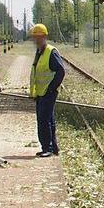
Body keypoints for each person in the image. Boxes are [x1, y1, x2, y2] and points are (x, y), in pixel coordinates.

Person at [28, 23, 65, 157]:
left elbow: (61, 71)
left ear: (44, 37)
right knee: (48, 119)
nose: (36, 40)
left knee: (44, 120)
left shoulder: (51, 52)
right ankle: (52, 148)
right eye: (34, 37)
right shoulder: (39, 51)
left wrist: (51, 88)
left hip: (48, 92)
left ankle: (47, 148)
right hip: (41, 92)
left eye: (38, 37)